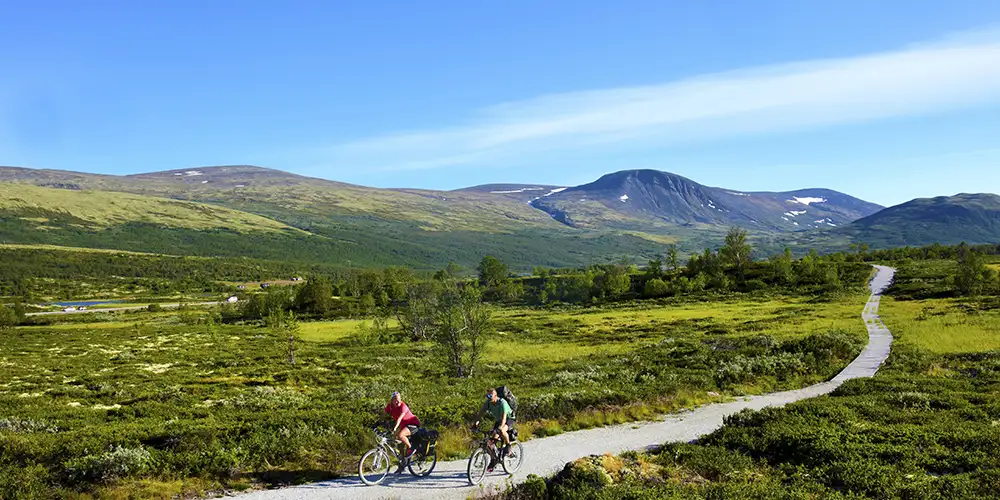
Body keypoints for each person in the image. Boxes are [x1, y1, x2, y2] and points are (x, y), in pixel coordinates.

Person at [473, 388, 514, 468]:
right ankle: (494, 459)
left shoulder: (502, 403)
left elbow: (504, 419)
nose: (489, 398)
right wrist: (476, 423)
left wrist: (500, 427)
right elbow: (481, 413)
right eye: (487, 396)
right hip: (499, 420)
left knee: (502, 430)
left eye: (490, 396)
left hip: (509, 418)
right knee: (491, 443)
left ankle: (508, 445)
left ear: (496, 396)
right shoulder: (488, 403)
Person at [384, 392, 420, 461]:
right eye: (396, 400)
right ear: (392, 400)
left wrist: (395, 427)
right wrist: (377, 423)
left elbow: (400, 418)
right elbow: (383, 414)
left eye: (399, 399)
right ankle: (403, 459)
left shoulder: (403, 406)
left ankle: (410, 448)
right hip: (404, 426)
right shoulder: (390, 406)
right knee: (396, 438)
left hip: (413, 424)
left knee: (401, 435)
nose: (398, 401)